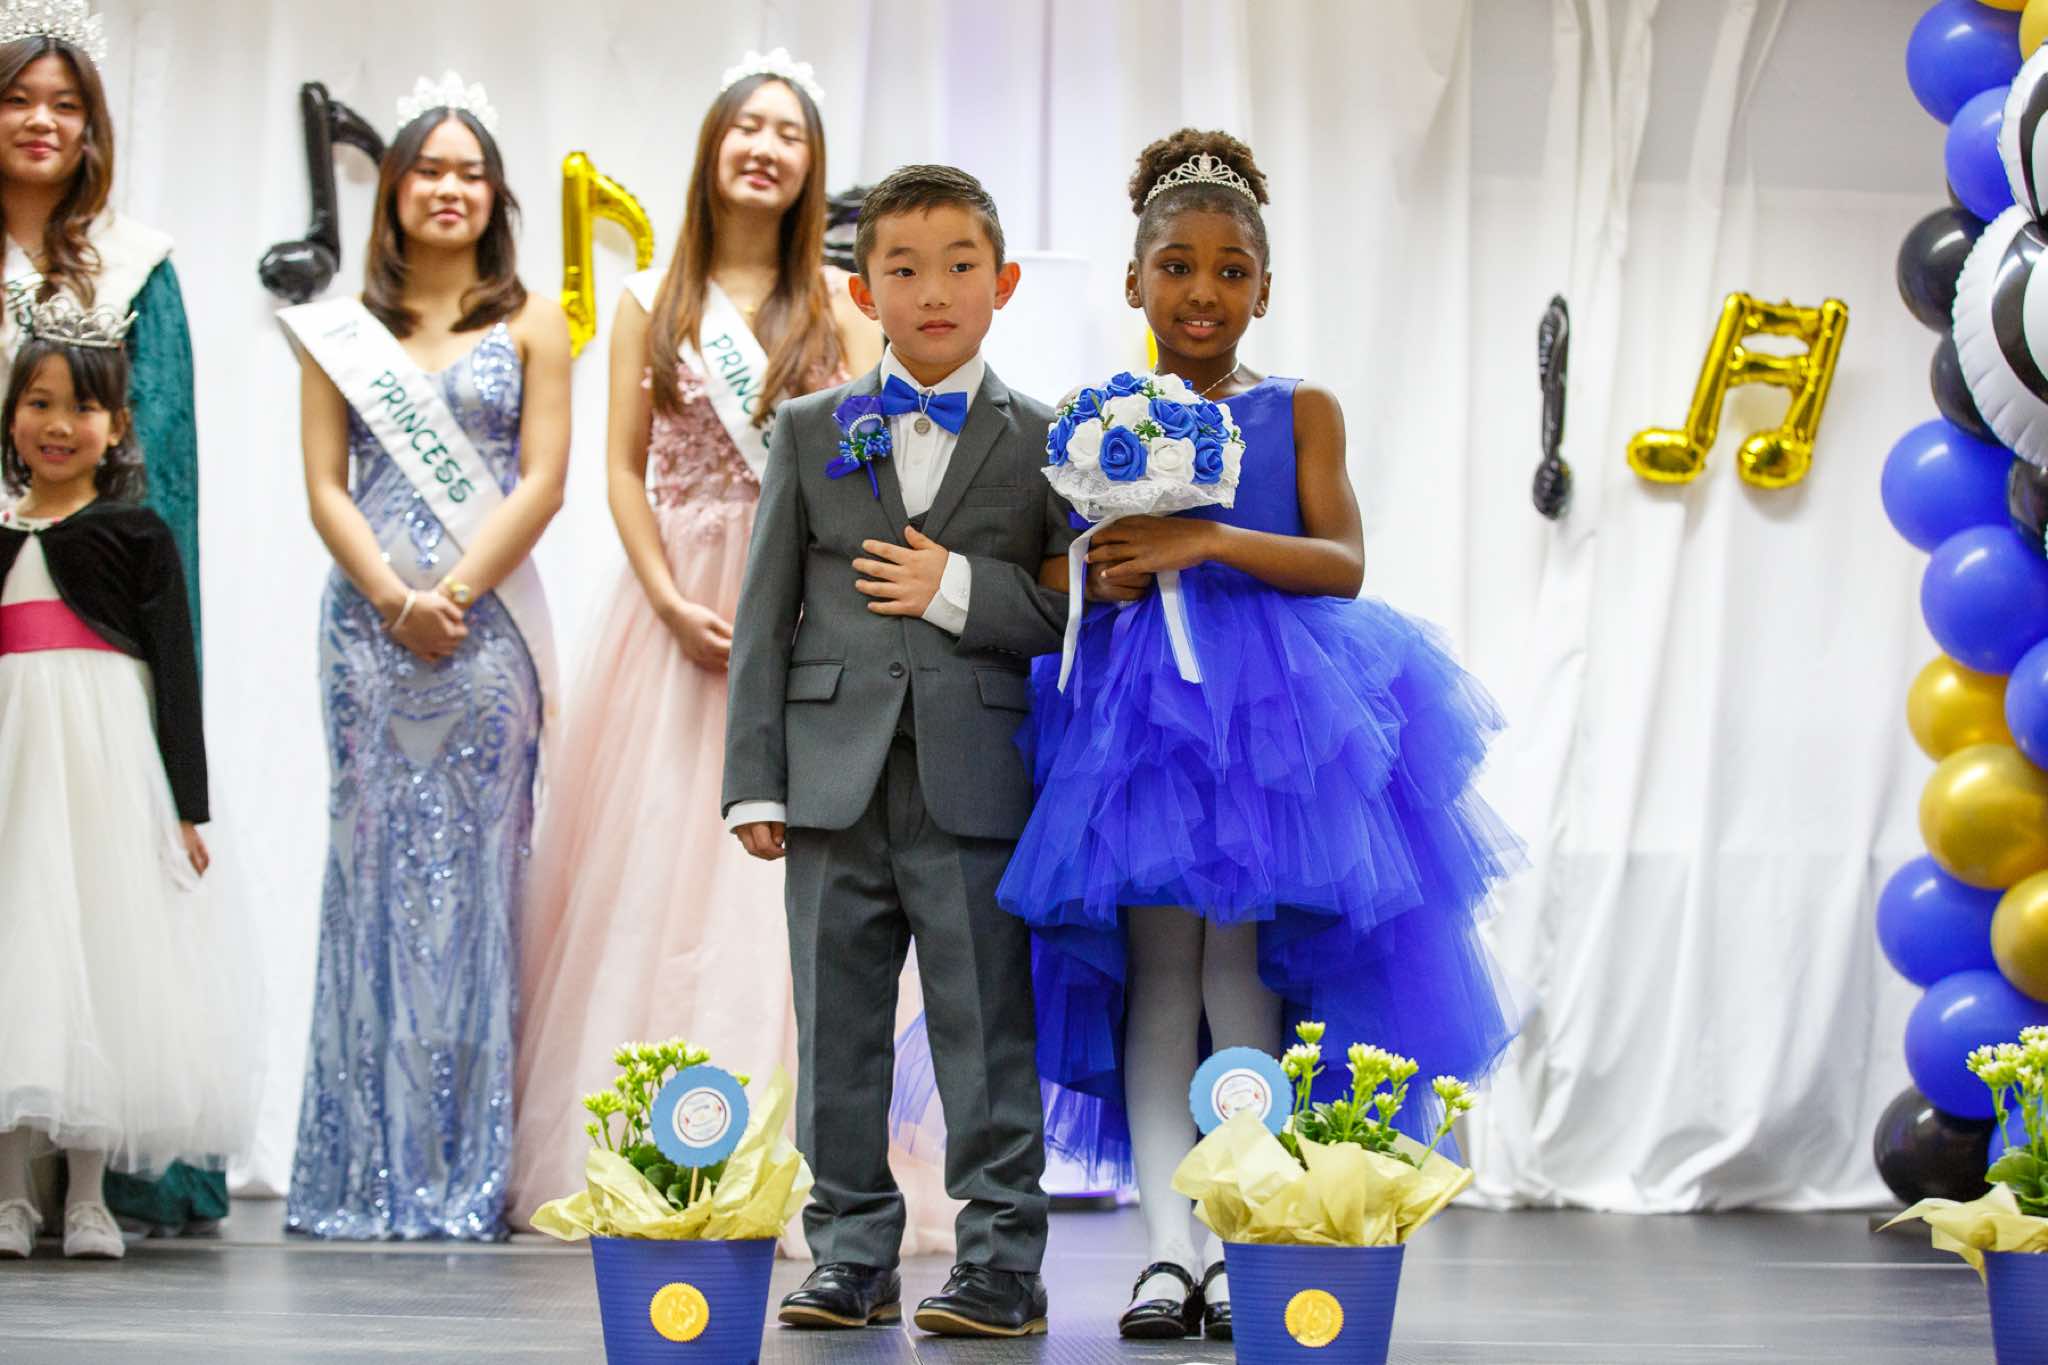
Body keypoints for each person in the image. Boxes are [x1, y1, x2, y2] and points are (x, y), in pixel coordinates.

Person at [998, 129, 1521, 1341]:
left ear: (1264, 291)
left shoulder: (1302, 410)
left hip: (1274, 725)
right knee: (1156, 979)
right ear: (1133, 282)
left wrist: (1209, 539)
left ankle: (1249, 1230)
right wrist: (1097, 569)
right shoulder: (1092, 418)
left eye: (1230, 271)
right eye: (1176, 267)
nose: (1202, 291)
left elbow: (1340, 560)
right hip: (1137, 725)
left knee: (1240, 974)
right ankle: (1163, 1249)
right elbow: (1055, 564)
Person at [509, 51, 954, 1254]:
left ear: (811, 166)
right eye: (746, 127)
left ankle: (803, 1157)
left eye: (787, 133)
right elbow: (620, 469)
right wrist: (662, 596)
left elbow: (878, 465)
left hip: (804, 620)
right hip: (676, 613)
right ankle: (656, 1149)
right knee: (657, 865)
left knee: (793, 885)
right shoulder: (651, 301)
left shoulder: (839, 306)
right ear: (712, 148)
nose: (764, 148)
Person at [723, 164, 1071, 1337]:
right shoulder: (809, 428)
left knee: (985, 1027)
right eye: (904, 269)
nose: (932, 291)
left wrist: (955, 586)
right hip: (830, 779)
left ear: (1001, 283)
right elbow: (765, 613)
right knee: (835, 1030)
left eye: (959, 267)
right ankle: (851, 1252)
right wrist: (753, 780)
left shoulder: (1048, 440)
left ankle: (1001, 1263)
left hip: (976, 780)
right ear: (863, 289)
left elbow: (1068, 614)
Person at [281, 73, 568, 1241]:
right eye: (427, 170)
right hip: (366, 635)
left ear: (494, 195)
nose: (449, 188)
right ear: (393, 189)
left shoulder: (534, 321)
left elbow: (542, 483)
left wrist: (446, 595)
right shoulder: (339, 330)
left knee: (480, 878)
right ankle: (361, 1173)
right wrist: (392, 599)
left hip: (485, 631)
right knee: (370, 877)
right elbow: (323, 485)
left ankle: (462, 1170)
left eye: (469, 171)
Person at [0, 299, 251, 1259]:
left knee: (102, 957)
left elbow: (176, 676)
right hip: (18, 767)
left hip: (104, 770)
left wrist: (186, 807)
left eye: (82, 406)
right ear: (11, 418)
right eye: (38, 403)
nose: (59, 424)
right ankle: (13, 1194)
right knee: (23, 959)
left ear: (117, 425)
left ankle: (88, 1195)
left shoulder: (138, 533)